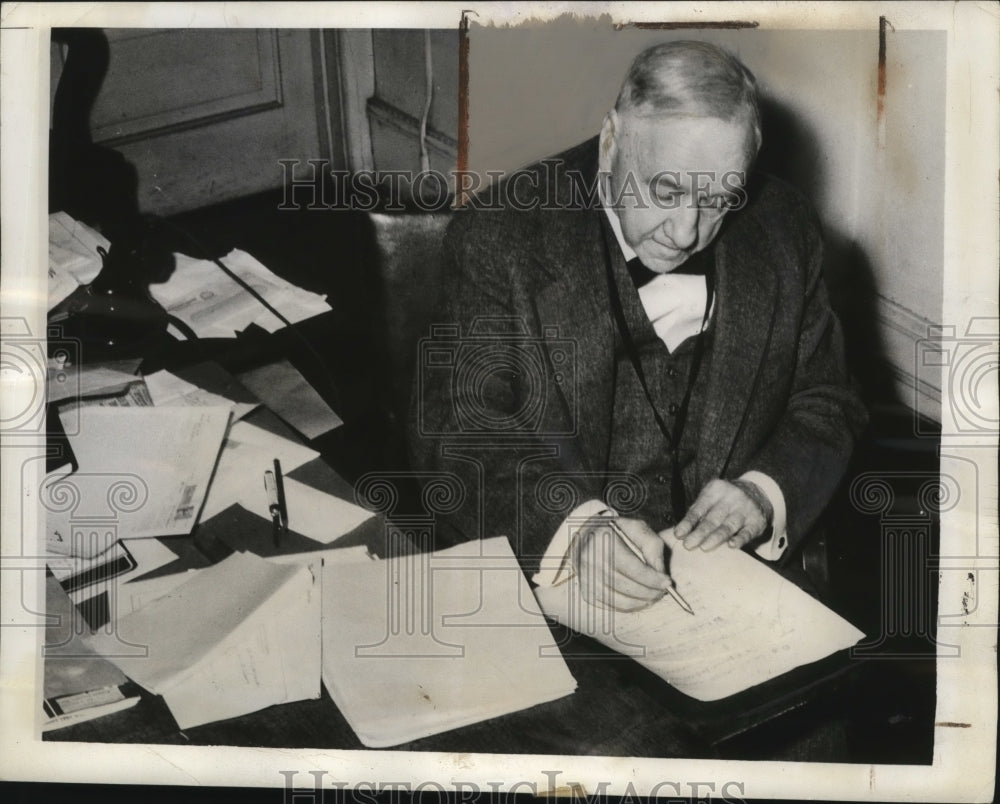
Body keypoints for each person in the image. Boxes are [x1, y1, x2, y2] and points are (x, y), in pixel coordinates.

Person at [409, 40, 867, 612]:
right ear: (611, 142)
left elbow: (828, 400)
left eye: (719, 201)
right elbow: (456, 433)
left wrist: (763, 492)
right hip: (554, 591)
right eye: (666, 191)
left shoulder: (784, 228)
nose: (685, 232)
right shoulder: (501, 238)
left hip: (736, 594)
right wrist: (576, 534)